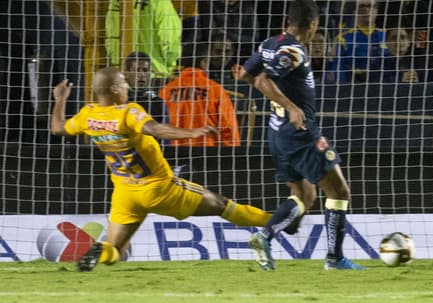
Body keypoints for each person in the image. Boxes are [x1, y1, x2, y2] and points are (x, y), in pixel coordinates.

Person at [48, 69, 270, 272]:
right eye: (124, 83)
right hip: (158, 188)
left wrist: (60, 99)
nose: (128, 87)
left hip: (125, 193)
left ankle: (101, 251)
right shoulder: (128, 112)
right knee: (223, 205)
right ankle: (275, 222)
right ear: (115, 89)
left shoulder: (88, 115)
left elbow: (57, 128)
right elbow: (156, 129)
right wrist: (190, 133)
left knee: (116, 250)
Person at [232, 0, 363, 271]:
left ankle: (264, 235)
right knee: (339, 191)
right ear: (312, 25)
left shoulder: (268, 44)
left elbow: (244, 74)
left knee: (305, 196)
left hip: (276, 132)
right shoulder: (294, 52)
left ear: (287, 21)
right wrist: (291, 106)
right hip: (300, 132)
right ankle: (335, 259)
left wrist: (277, 97)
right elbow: (260, 80)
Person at [158, 45, 243, 146]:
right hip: (206, 154)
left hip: (173, 155)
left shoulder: (165, 91)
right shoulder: (215, 89)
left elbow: (158, 128)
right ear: (203, 62)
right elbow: (229, 128)